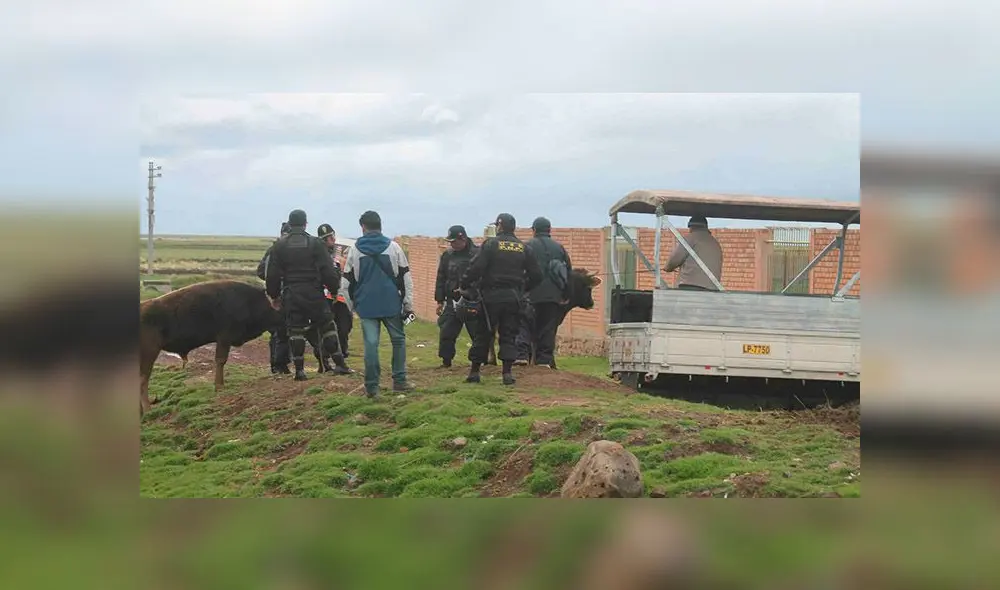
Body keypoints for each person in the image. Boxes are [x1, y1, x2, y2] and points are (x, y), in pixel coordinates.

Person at [265, 209, 352, 381]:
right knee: (327, 327)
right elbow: (327, 270)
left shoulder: (279, 246)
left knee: (295, 330)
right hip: (314, 293)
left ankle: (299, 371)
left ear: (290, 224)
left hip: (292, 293)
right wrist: (334, 290)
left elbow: (272, 275)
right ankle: (340, 364)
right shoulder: (315, 243)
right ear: (305, 224)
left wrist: (274, 296)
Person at [459, 213, 543, 386]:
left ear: (499, 226)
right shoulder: (524, 248)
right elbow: (537, 275)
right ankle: (507, 373)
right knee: (509, 334)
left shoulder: (491, 244)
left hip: (490, 296)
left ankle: (475, 372)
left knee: (483, 333)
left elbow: (476, 267)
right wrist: (522, 290)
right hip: (513, 298)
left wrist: (465, 283)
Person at [342, 210, 415, 398]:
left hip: (366, 305)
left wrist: (351, 307)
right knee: (398, 341)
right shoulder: (394, 247)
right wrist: (407, 304)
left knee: (371, 345)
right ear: (380, 225)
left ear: (363, 227)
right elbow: (405, 277)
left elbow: (347, 283)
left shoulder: (355, 250)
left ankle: (372, 388)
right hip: (391, 303)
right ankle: (400, 381)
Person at [524, 216, 573, 369]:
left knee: (526, 326)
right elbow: (567, 273)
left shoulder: (527, 246)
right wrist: (565, 295)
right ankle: (544, 361)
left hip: (530, 295)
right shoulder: (559, 248)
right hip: (553, 297)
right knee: (547, 329)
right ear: (549, 230)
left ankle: (523, 357)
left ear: (533, 230)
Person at [433, 225, 482, 368]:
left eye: (454, 241)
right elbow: (441, 277)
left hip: (472, 300)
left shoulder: (477, 254)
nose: (452, 245)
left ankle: (479, 363)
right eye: (450, 242)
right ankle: (446, 361)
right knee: (447, 332)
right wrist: (439, 300)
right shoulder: (447, 255)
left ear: (463, 239)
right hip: (452, 300)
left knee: (477, 333)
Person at [316, 223, 355, 365]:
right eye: (326, 238)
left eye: (331, 237)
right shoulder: (318, 254)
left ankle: (342, 354)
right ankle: (325, 359)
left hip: (342, 297)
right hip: (325, 297)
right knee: (327, 329)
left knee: (345, 327)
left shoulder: (342, 253)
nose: (330, 240)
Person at [257, 221, 291, 374]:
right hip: (279, 295)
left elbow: (261, 271)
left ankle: (279, 365)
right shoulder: (275, 250)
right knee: (280, 331)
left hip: (278, 294)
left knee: (283, 331)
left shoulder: (275, 249)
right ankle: (278, 365)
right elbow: (262, 271)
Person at [664, 215, 724, 291]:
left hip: (691, 287)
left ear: (691, 227)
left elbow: (673, 261)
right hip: (713, 289)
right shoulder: (715, 243)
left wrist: (667, 268)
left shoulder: (690, 238)